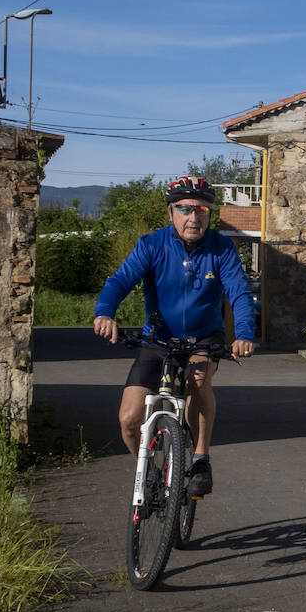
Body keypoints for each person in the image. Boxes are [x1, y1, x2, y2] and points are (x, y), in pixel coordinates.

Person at [94, 175, 256, 497]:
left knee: (198, 383)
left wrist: (244, 334)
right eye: (184, 209)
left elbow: (238, 293)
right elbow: (121, 280)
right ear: (171, 213)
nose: (193, 217)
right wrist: (105, 312)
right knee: (128, 420)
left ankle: (199, 458)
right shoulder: (151, 245)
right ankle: (152, 474)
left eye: (201, 210)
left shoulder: (222, 249)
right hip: (157, 338)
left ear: (210, 214)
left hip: (203, 337)